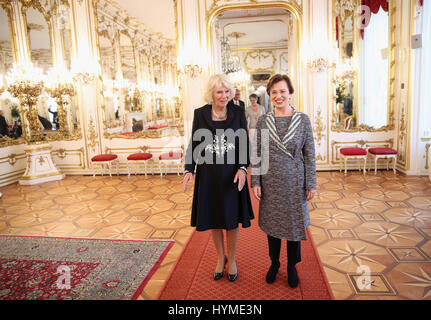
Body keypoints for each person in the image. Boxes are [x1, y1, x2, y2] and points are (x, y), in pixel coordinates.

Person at [183, 74, 254, 282]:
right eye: (220, 92)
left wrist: (243, 168)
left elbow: (243, 143)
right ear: (211, 94)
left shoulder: (238, 112)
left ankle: (231, 259)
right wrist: (189, 169)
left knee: (231, 220)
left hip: (232, 176)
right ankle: (219, 258)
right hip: (208, 176)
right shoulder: (200, 114)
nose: (224, 96)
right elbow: (194, 144)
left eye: (227, 92)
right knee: (215, 218)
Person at [251, 74, 316, 288]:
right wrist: (256, 181)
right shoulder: (264, 121)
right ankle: (275, 263)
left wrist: (311, 183)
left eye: (282, 91)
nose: (278, 96)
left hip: (295, 182)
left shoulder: (303, 120)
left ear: (290, 93)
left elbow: (310, 154)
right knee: (273, 227)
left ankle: (292, 266)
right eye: (274, 92)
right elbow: (258, 153)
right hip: (271, 183)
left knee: (294, 226)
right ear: (269, 96)